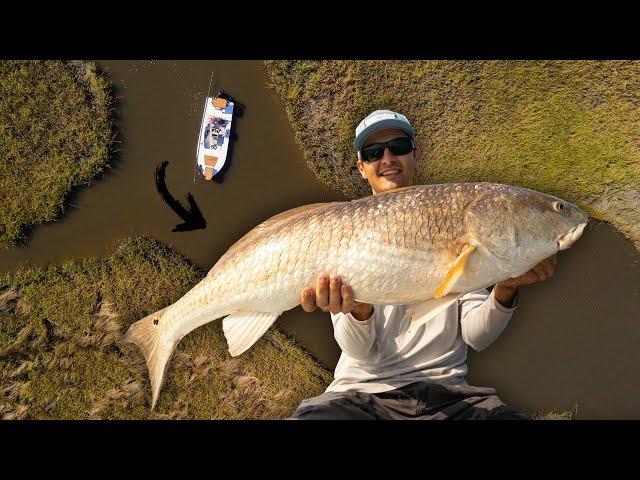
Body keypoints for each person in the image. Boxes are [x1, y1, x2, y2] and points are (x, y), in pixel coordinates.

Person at [289, 110, 557, 420]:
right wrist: (358, 311)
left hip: (448, 394)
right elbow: (359, 351)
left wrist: (506, 286)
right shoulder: (346, 231)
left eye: (398, 147)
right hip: (358, 396)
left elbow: (476, 336)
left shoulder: (453, 216)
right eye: (374, 153)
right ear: (362, 168)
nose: (388, 158)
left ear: (415, 155)